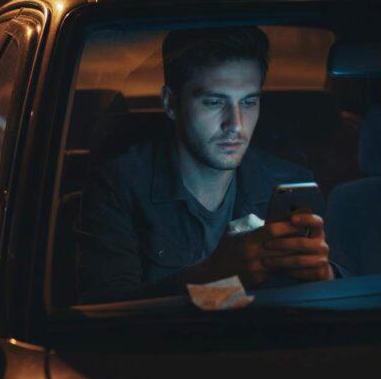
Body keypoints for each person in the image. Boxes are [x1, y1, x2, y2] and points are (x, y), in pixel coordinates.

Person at [77, 27, 343, 304]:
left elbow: (346, 286)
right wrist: (209, 277)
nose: (236, 125)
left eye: (249, 102)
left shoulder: (290, 181)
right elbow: (106, 312)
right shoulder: (120, 185)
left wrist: (325, 276)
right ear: (170, 103)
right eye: (215, 102)